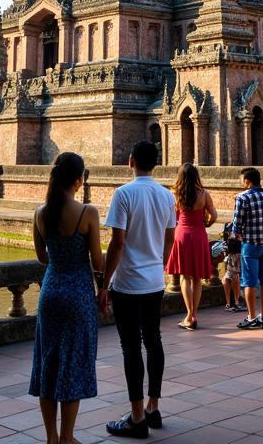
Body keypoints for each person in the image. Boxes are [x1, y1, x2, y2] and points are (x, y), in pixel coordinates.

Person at [99, 140, 177, 438]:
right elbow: (170, 239)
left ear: (130, 161)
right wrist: (161, 265)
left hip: (128, 284)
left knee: (131, 347)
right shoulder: (166, 195)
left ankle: (136, 416)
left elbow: (117, 244)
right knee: (153, 341)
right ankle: (153, 407)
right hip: (154, 282)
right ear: (155, 163)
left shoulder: (124, 194)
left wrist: (104, 284)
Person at [30, 152, 103, 444]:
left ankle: (51, 437)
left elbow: (41, 257)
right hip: (78, 295)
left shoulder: (40, 213)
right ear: (78, 179)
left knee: (48, 364)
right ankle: (68, 437)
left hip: (50, 292)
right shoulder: (88, 213)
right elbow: (97, 262)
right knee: (72, 364)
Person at [165, 162, 217, 330]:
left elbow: (172, 217)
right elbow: (214, 215)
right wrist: (207, 223)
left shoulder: (175, 194)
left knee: (184, 276)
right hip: (199, 234)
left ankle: (189, 315)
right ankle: (194, 313)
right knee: (197, 278)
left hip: (182, 234)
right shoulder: (203, 194)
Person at [231, 167, 263, 330]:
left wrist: (237, 235)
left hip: (250, 245)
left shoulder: (242, 198)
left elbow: (236, 226)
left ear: (247, 181)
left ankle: (251, 317)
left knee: (249, 282)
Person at [219, 222, 243, 311]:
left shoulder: (228, 225)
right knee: (234, 276)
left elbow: (225, 240)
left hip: (230, 253)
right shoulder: (235, 225)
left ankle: (229, 303)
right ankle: (236, 302)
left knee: (228, 277)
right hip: (236, 253)